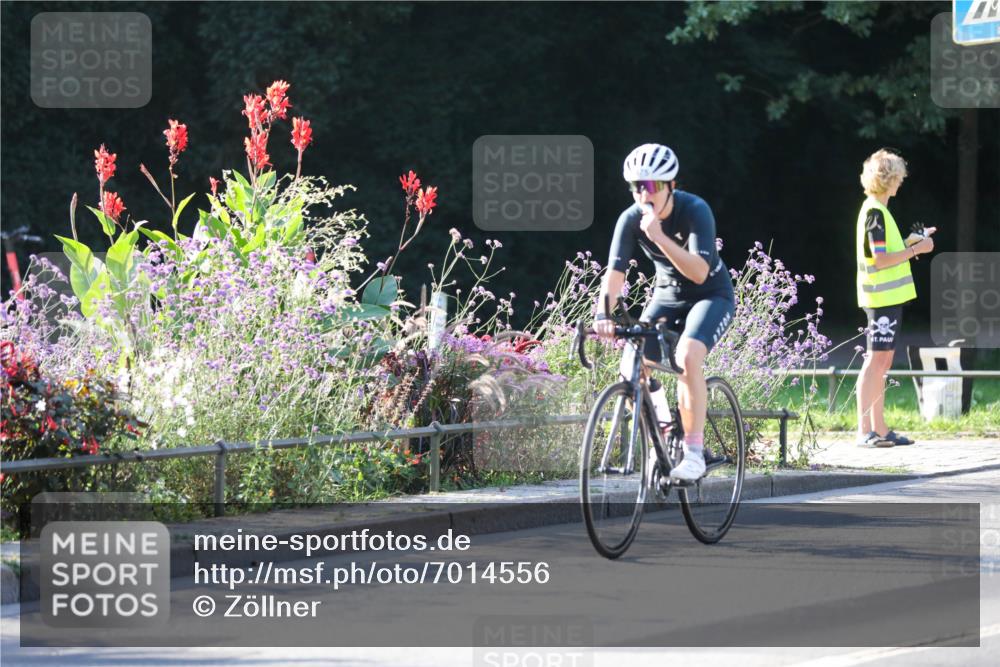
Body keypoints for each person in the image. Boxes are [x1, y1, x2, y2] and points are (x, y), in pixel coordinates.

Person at [594, 143, 735, 482]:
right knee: (630, 366)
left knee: (687, 356)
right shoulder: (629, 219)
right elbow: (614, 276)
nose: (644, 194)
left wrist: (659, 237)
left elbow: (699, 272)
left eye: (652, 186)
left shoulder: (694, 210)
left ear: (671, 186)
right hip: (667, 297)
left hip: (710, 295)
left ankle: (694, 452)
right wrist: (603, 314)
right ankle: (665, 431)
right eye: (636, 187)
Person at [855, 149, 935, 447]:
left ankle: (880, 429)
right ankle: (865, 431)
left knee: (882, 361)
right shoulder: (875, 212)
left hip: (886, 298)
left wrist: (910, 242)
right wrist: (917, 250)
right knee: (876, 361)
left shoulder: (878, 211)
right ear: (888, 179)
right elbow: (880, 260)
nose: (901, 182)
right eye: (898, 177)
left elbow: (884, 252)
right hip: (880, 299)